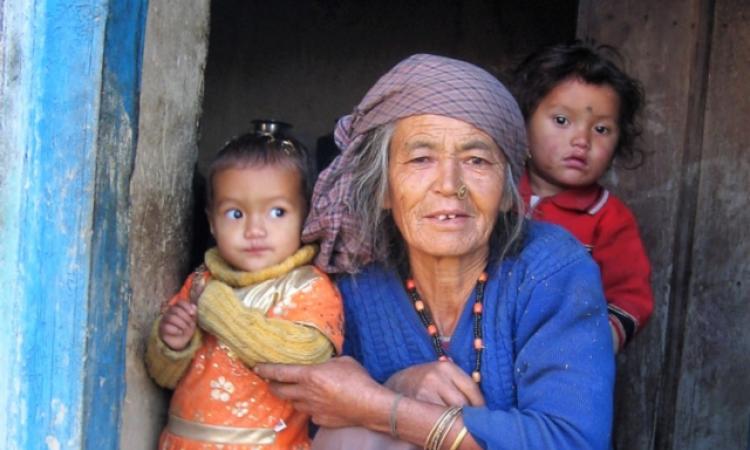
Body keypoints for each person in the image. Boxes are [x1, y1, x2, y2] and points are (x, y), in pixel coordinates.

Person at [255, 54, 615, 449]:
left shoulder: (550, 271)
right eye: (421, 158)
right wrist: (400, 384)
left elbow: (573, 441)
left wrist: (382, 406)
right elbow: (297, 413)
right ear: (384, 189)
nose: (450, 185)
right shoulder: (351, 279)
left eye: (476, 160)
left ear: (509, 193)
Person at [144, 122, 344, 450]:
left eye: (277, 212)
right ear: (211, 221)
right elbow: (164, 376)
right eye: (236, 213)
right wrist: (172, 345)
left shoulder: (308, 287)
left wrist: (215, 309)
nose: (255, 229)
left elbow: (303, 358)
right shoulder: (200, 281)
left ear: (305, 216)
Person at [512, 40, 654, 352]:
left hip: (562, 363)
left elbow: (631, 296)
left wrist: (599, 341)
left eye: (601, 129)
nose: (581, 140)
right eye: (561, 121)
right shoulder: (495, 195)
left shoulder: (609, 219)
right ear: (522, 123)